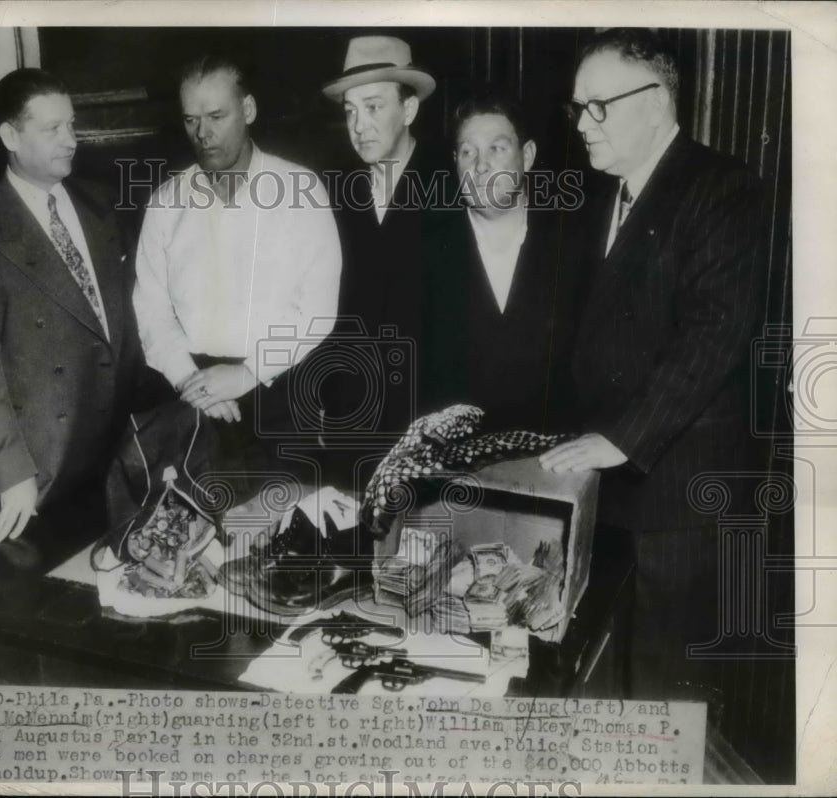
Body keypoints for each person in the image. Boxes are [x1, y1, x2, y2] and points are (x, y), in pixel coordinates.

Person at [539, 29, 768, 704]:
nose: (583, 123)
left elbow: (715, 336)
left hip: (681, 500)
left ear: (659, 102)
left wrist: (617, 439)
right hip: (610, 494)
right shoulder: (601, 196)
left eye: (599, 106)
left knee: (666, 695)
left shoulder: (724, 188)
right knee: (607, 679)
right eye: (577, 107)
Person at [0, 68, 144, 546]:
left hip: (122, 455)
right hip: (38, 473)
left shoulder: (103, 205)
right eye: (51, 129)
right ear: (10, 135)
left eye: (71, 125)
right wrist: (10, 472)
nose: (70, 140)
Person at [131, 54, 341, 500]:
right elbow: (150, 311)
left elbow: (318, 312)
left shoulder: (302, 191)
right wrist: (193, 383)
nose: (202, 134)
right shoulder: (166, 203)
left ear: (247, 110)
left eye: (216, 116)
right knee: (196, 551)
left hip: (280, 395)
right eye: (190, 120)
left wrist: (247, 372)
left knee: (283, 546)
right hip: (192, 397)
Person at [423, 88, 585, 432]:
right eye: (468, 152)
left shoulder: (576, 242)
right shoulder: (423, 250)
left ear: (526, 156)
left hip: (555, 463)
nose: (481, 166)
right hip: (449, 469)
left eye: (497, 148)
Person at [319, 35, 447, 439]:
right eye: (350, 111)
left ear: (408, 109)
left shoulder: (453, 186)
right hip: (350, 423)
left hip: (428, 428)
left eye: (373, 107)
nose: (359, 126)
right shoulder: (336, 194)